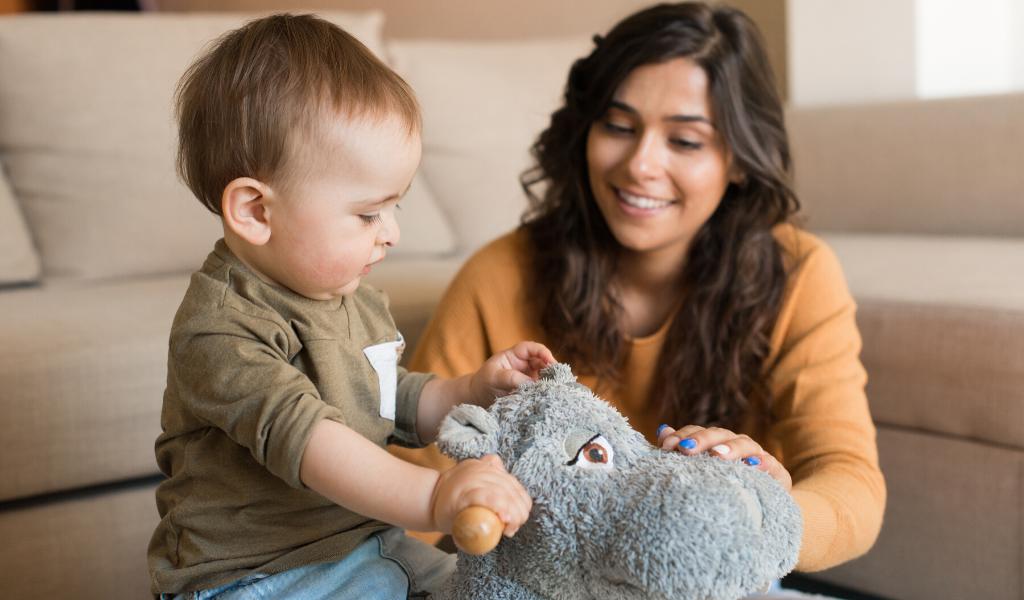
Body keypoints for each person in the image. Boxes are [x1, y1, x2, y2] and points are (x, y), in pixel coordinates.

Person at [400, 1, 886, 576]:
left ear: (739, 160)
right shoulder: (498, 275)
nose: (640, 164)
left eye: (684, 141)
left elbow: (850, 481)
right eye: (619, 126)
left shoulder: (800, 273)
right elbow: (412, 485)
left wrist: (763, 518)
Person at [148, 14, 553, 600]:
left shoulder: (350, 296)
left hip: (370, 548)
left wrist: (470, 390)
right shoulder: (219, 330)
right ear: (257, 212)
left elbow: (390, 401)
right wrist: (434, 498)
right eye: (367, 213)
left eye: (395, 207)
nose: (389, 232)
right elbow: (313, 443)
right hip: (260, 575)